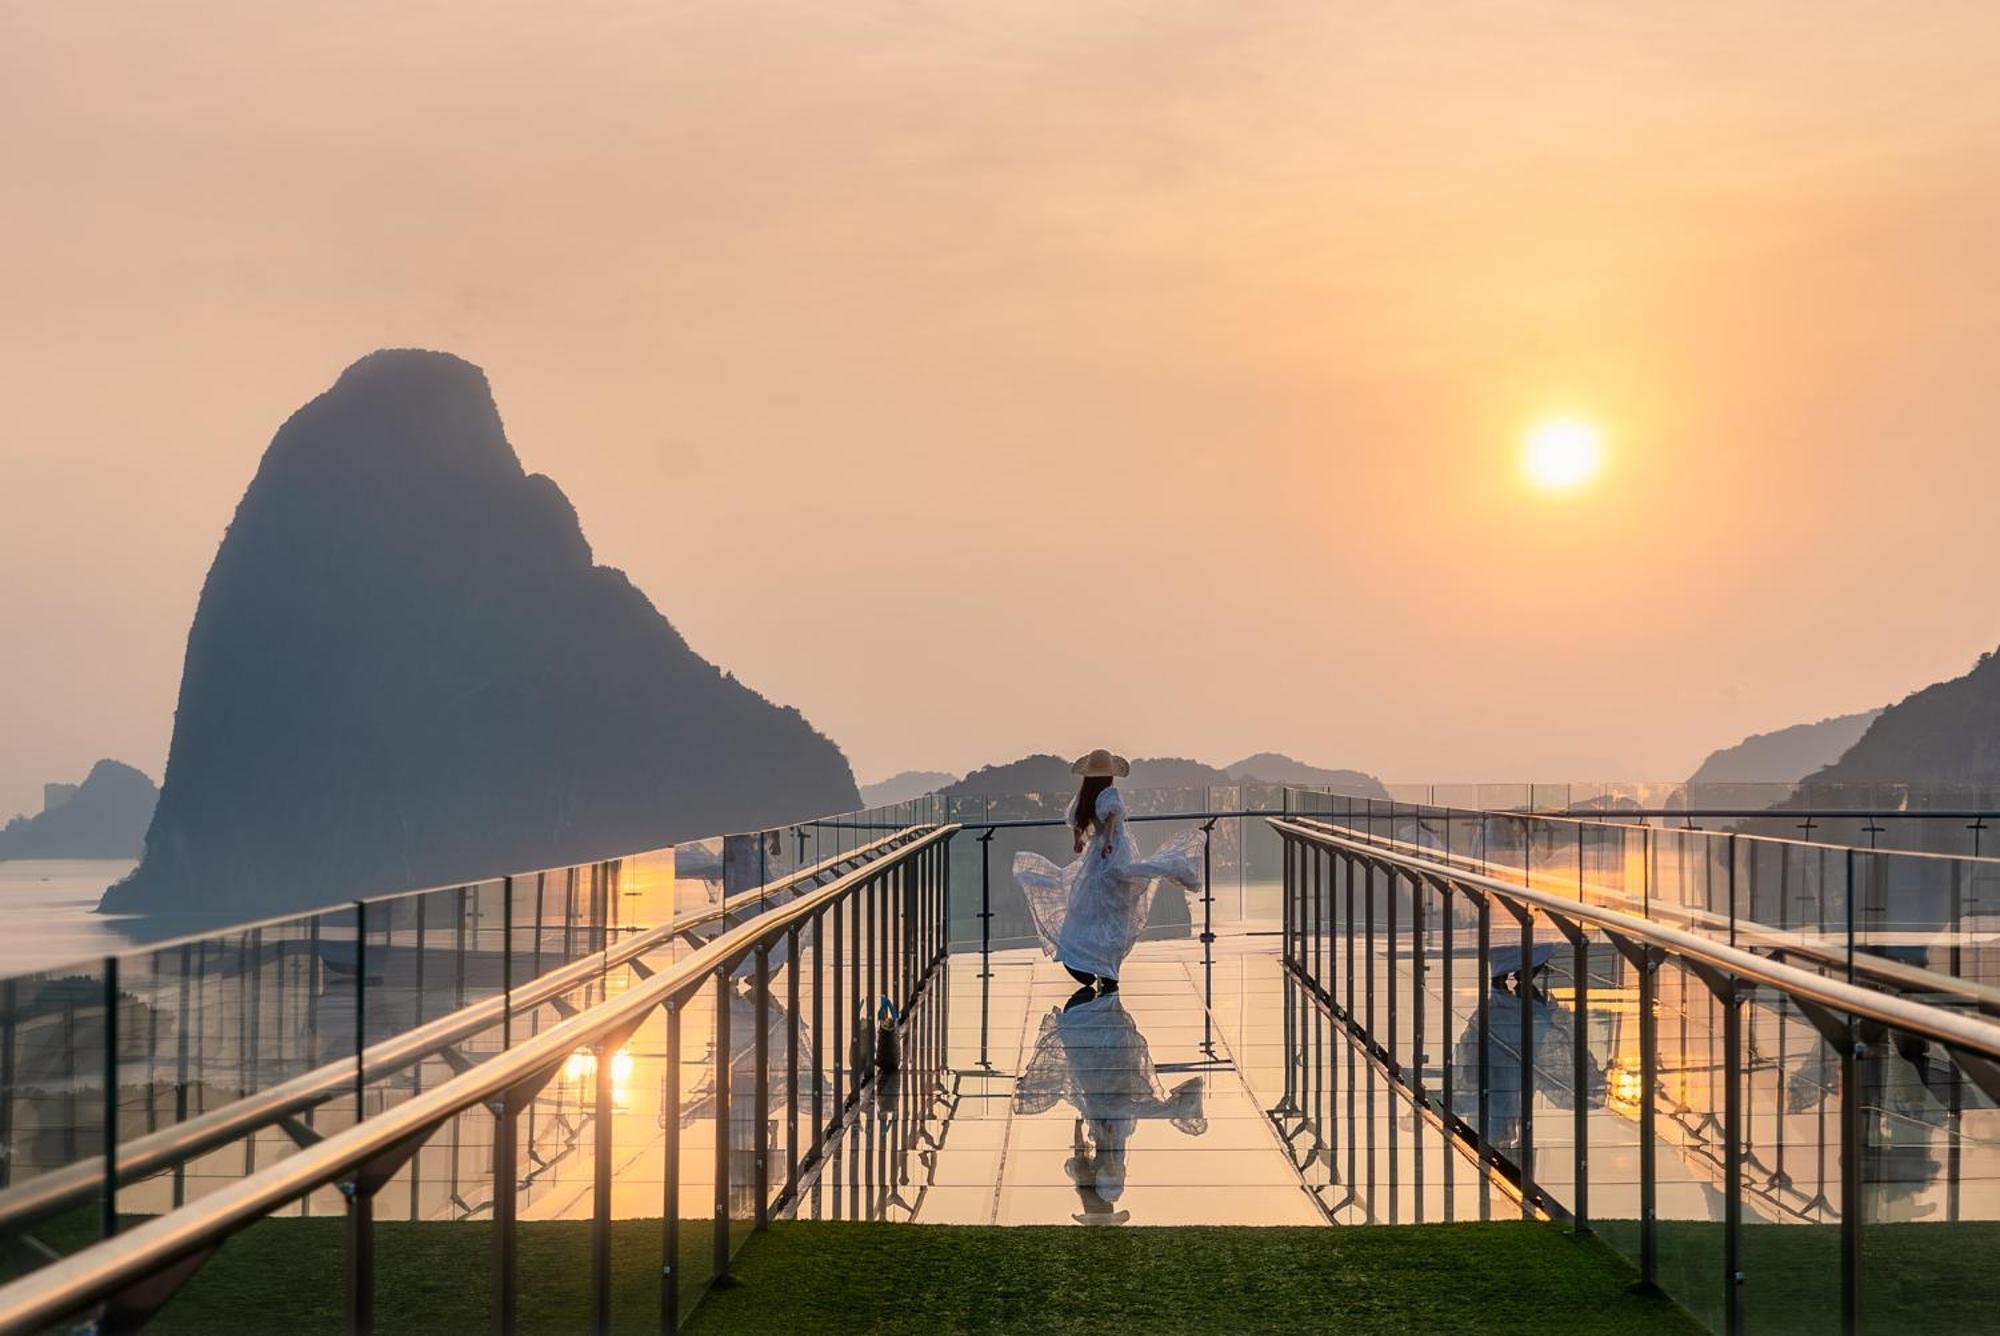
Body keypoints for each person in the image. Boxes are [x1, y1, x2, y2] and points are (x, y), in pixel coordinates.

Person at [1013, 749, 1205, 993]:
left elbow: (1077, 821)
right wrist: (1109, 842)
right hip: (1113, 852)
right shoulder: (1109, 794)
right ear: (1109, 776)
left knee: (1091, 908)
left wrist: (1080, 841)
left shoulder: (1085, 796)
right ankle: (1107, 967)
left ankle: (1087, 961)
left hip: (1095, 856)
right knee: (1116, 912)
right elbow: (1112, 820)